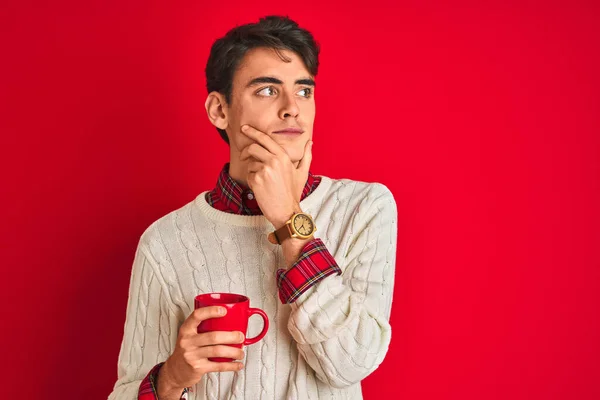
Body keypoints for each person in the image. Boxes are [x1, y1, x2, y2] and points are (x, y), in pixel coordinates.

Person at [108, 15, 398, 400]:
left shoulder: (364, 208)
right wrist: (172, 378)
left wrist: (288, 217)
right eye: (267, 91)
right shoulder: (164, 241)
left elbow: (352, 363)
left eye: (304, 91)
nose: (292, 109)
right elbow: (126, 392)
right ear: (219, 110)